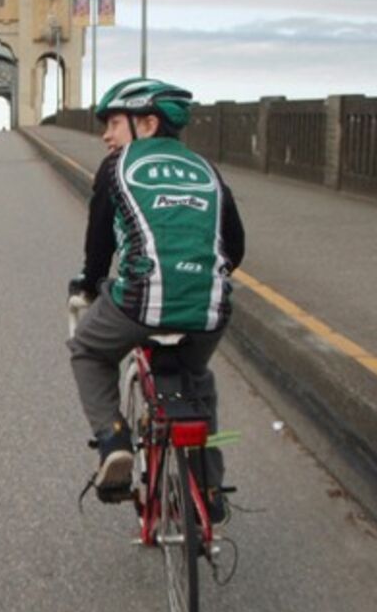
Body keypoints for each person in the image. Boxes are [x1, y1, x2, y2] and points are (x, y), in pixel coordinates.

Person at [67, 77, 244, 521]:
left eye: (113, 123)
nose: (106, 135)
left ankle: (112, 442)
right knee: (197, 378)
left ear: (146, 123)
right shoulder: (206, 168)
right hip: (211, 305)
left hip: (140, 301)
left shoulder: (116, 166)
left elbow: (99, 244)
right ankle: (209, 488)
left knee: (88, 350)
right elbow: (234, 245)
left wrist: (88, 286)